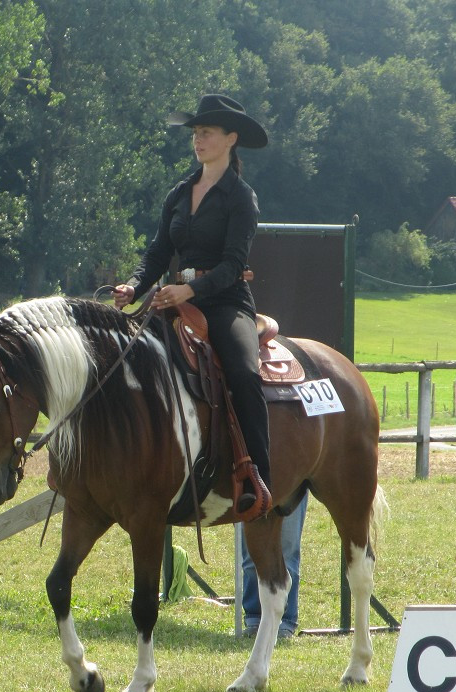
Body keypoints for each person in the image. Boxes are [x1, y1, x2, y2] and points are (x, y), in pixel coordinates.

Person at [113, 94, 272, 517]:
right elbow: (158, 252)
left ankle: (260, 476)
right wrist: (132, 287)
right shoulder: (180, 193)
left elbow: (233, 265)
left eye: (207, 133)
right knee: (125, 357)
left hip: (225, 303)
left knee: (243, 371)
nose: (197, 140)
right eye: (195, 133)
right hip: (170, 299)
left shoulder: (242, 197)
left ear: (230, 139)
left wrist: (191, 291)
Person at [239, 491, 307, 639]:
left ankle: (286, 620)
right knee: (251, 557)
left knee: (288, 553)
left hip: (293, 478)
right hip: (253, 479)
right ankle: (254, 617)